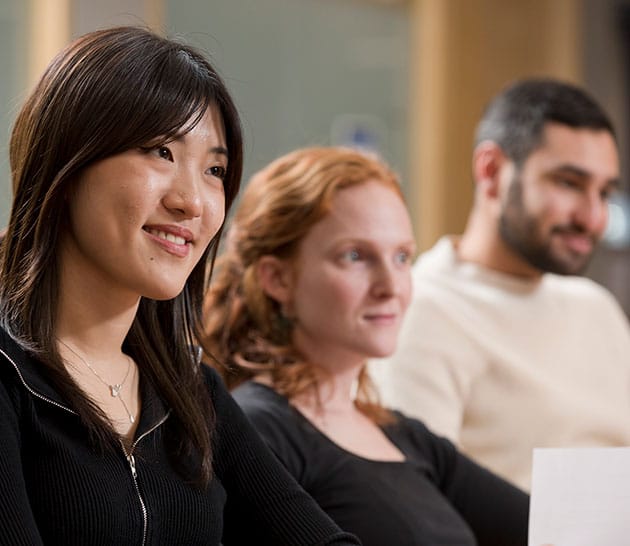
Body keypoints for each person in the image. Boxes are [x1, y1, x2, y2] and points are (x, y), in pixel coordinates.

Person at [0, 26, 361, 545]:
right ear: (67, 163)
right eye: (160, 152)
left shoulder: (190, 389)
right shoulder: (9, 377)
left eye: (214, 169)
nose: (192, 201)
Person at [203, 146, 529, 546]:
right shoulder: (255, 430)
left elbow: (553, 529)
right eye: (355, 256)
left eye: (401, 257)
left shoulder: (405, 436)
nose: (391, 287)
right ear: (278, 279)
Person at [371, 78, 630, 491]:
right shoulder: (418, 310)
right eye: (569, 183)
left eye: (604, 192)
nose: (593, 217)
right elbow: (416, 511)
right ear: (491, 172)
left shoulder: (596, 308)